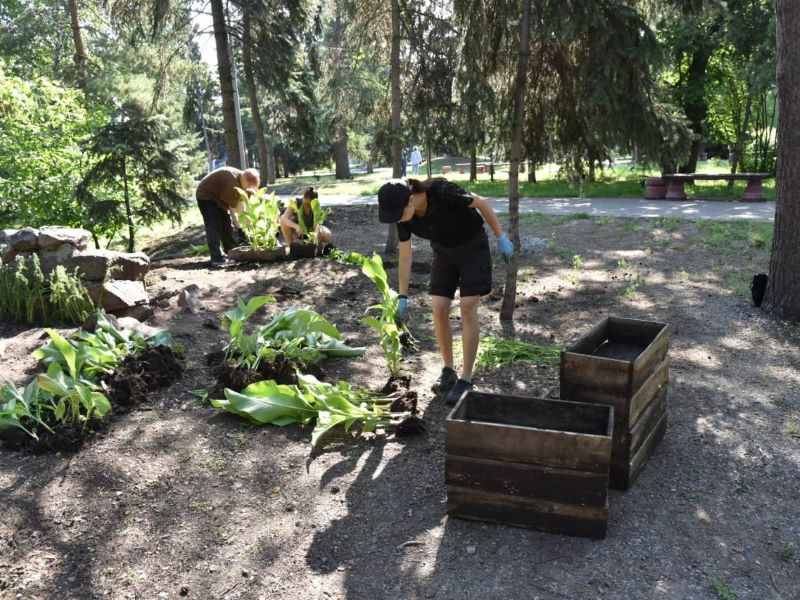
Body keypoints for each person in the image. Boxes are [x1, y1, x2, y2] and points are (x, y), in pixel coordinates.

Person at [377, 177, 514, 405]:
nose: (397, 220)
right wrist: (402, 296)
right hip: (443, 251)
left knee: (467, 308)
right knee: (438, 308)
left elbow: (480, 203)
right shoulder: (405, 217)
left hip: (472, 247)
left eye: (399, 214)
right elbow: (405, 256)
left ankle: (466, 379)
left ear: (411, 200)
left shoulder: (443, 192)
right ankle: (448, 370)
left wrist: (500, 236)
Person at [195, 166, 259, 267]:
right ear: (245, 179)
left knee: (226, 225)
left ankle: (232, 253)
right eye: (247, 186)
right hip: (206, 195)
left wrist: (249, 225)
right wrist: (240, 229)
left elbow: (241, 208)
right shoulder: (232, 183)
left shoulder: (241, 179)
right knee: (214, 225)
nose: (247, 189)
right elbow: (234, 211)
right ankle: (216, 258)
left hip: (217, 197)